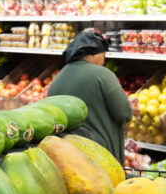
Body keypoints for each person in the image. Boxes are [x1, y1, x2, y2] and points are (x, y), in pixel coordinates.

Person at [46, 30, 133, 163]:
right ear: (90, 54)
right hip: (101, 156)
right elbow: (124, 113)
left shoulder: (55, 82)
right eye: (103, 55)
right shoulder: (102, 74)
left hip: (67, 157)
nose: (104, 60)